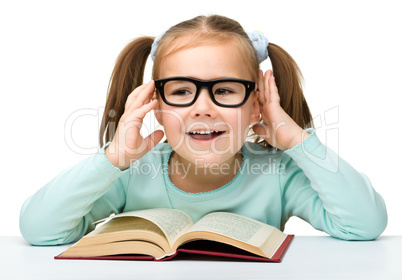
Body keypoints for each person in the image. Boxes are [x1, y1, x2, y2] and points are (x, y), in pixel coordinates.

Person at [20, 15, 387, 246]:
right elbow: (41, 229)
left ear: (257, 102)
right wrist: (113, 159)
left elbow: (363, 225)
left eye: (225, 90)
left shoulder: (278, 173)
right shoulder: (132, 172)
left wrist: (296, 141)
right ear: (156, 105)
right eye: (181, 91)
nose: (203, 107)